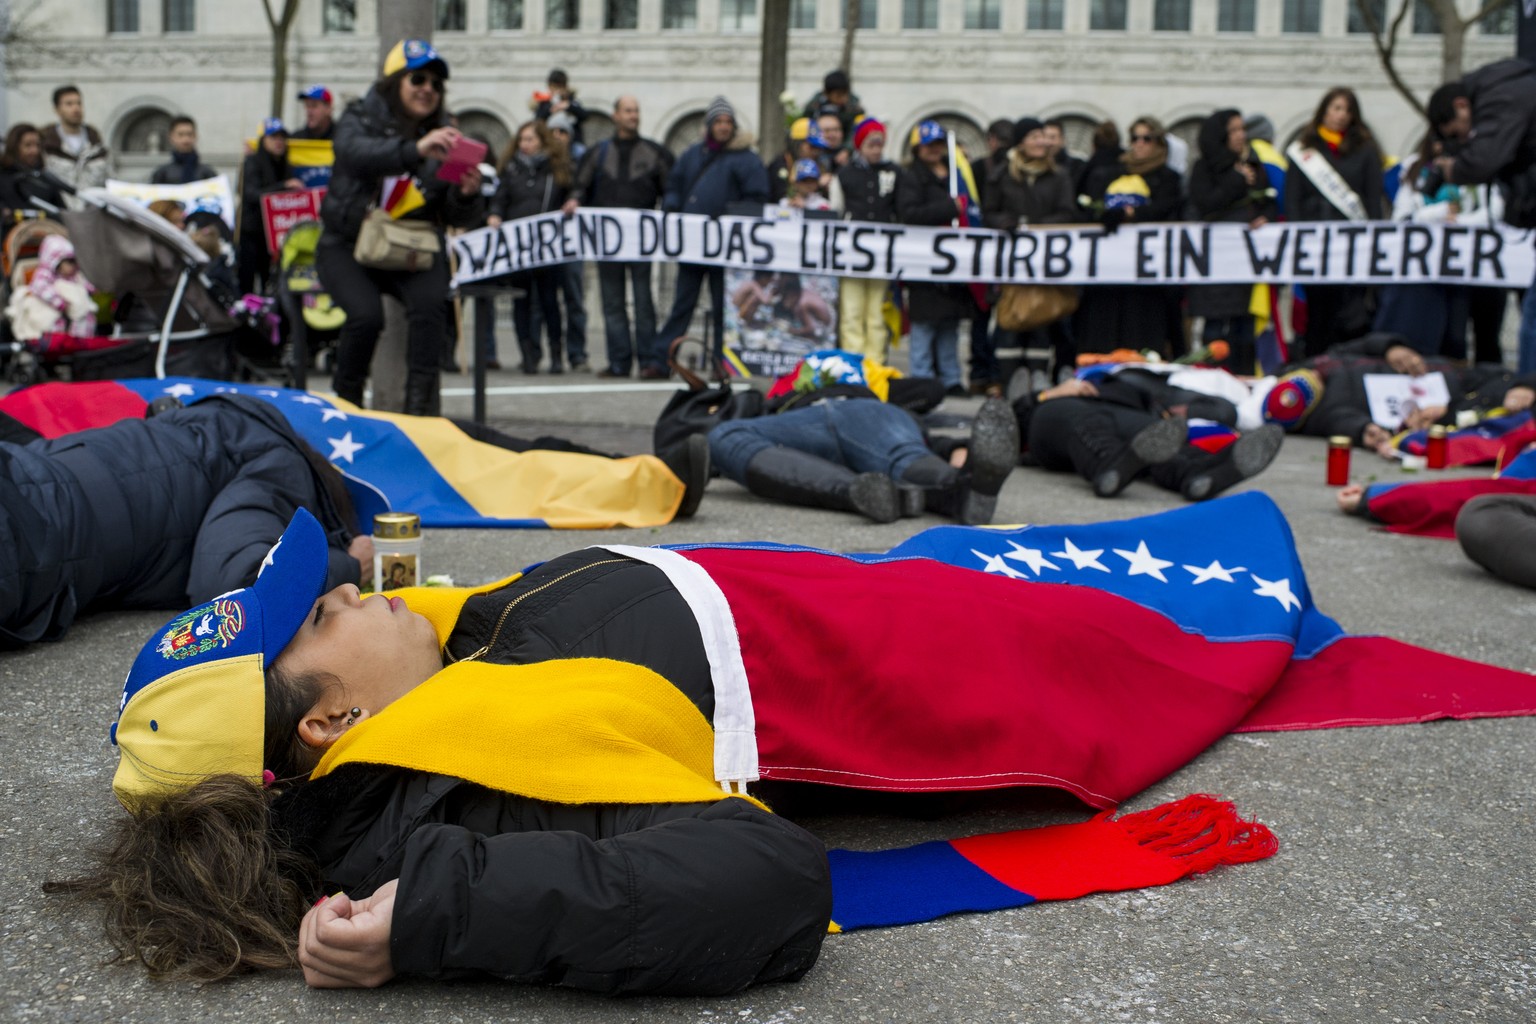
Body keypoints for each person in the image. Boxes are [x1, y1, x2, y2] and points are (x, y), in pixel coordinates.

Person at [0, 395, 370, 647]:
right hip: (33, 536)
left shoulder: (200, 427)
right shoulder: (277, 466)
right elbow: (236, 587)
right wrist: (348, 564)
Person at [316, 40, 484, 415]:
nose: (428, 89)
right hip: (347, 243)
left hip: (408, 247)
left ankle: (420, 417)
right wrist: (416, 150)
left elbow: (453, 214)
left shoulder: (445, 135)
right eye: (419, 79)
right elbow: (353, 153)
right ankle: (345, 411)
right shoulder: (359, 117)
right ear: (395, 83)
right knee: (365, 317)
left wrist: (468, 194)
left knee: (431, 305)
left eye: (436, 84)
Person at [710, 393, 1018, 525]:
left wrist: (966, 459)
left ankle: (962, 485)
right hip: (799, 425)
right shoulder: (779, 390)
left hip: (871, 413)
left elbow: (933, 402)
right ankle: (878, 491)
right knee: (723, 436)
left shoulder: (874, 378)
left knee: (905, 452)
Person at [1427, 59, 1536, 373]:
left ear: (1462, 105)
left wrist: (1454, 169)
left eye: (1461, 134)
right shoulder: (1506, 89)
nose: (1465, 141)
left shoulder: (1501, 97)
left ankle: (1529, 401)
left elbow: (1485, 159)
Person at [1013, 375, 1284, 501]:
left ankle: (1198, 475)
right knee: (1088, 425)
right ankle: (1106, 468)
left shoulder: (1144, 389)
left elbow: (1223, 410)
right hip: (1054, 420)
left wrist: (1172, 413)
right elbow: (1008, 417)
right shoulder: (1054, 397)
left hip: (1127, 417)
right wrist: (1048, 394)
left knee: (1157, 440)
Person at [656, 96, 769, 376]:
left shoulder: (746, 159)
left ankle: (722, 363)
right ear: (709, 125)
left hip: (725, 249)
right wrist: (672, 205)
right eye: (718, 121)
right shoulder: (692, 155)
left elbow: (757, 197)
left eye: (728, 122)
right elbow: (674, 184)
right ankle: (661, 361)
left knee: (723, 309)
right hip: (694, 245)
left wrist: (730, 215)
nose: (723, 126)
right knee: (682, 305)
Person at [565, 95, 675, 379]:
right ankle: (619, 362)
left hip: (641, 240)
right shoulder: (598, 153)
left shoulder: (654, 153)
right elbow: (581, 186)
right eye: (627, 111)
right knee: (612, 303)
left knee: (643, 301)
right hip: (607, 242)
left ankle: (649, 360)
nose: (633, 116)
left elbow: (671, 192)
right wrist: (575, 201)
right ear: (615, 115)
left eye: (636, 110)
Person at [1372, 132, 1503, 360]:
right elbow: (1403, 217)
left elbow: (1495, 210)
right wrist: (1438, 213)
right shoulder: (1416, 170)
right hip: (1427, 272)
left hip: (1465, 267)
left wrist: (1461, 221)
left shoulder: (1477, 173)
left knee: (1459, 334)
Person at [1283, 87, 1385, 358]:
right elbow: (1293, 199)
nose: (1341, 115)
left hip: (1352, 245)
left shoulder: (1365, 149)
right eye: (1336, 108)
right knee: (1318, 314)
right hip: (1316, 246)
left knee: (1350, 314)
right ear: (1324, 111)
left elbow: (1372, 198)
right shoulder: (1304, 152)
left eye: (1347, 110)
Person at [1075, 117, 1185, 358]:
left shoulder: (1169, 179)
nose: (1140, 144)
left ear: (1159, 144)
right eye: (1135, 138)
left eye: (1147, 138)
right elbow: (1089, 209)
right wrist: (1107, 214)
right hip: (1109, 273)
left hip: (1148, 276)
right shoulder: (1110, 173)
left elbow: (1170, 210)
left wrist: (1137, 213)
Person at [1186, 109, 1277, 375]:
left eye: (1242, 129)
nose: (1241, 135)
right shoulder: (1205, 168)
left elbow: (1269, 203)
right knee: (1215, 334)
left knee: (1244, 333)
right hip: (1215, 268)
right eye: (1234, 130)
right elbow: (1206, 205)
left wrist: (1264, 218)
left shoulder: (1253, 165)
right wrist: (1237, 181)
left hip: (1245, 269)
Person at [896, 120, 977, 396]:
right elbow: (910, 214)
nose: (934, 150)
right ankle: (922, 378)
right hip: (924, 262)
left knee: (949, 325)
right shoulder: (911, 178)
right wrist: (948, 208)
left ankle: (951, 378)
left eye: (938, 145)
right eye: (928, 145)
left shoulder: (955, 175)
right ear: (918, 149)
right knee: (924, 325)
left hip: (953, 263)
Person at [487, 120, 571, 374]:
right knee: (521, 301)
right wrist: (495, 214)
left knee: (549, 302)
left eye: (530, 139)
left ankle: (556, 354)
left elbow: (570, 193)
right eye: (522, 139)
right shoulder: (511, 170)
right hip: (518, 248)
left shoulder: (555, 170)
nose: (525, 145)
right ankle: (528, 354)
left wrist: (571, 203)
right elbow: (500, 199)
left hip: (547, 247)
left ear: (542, 142)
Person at [828, 118, 898, 361]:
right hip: (851, 252)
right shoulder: (845, 175)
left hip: (881, 253)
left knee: (877, 311)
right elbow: (836, 209)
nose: (876, 151)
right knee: (852, 310)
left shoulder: (893, 172)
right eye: (871, 145)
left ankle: (875, 362)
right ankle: (852, 361)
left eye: (879, 145)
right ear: (860, 146)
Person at [542, 111, 590, 371]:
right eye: (554, 132)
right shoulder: (542, 165)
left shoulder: (579, 163)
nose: (558, 137)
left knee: (574, 298)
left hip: (571, 243)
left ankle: (577, 353)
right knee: (546, 301)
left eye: (563, 132)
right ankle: (551, 353)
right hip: (546, 243)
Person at [239, 119, 305, 295]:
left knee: (270, 282)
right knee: (247, 283)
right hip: (252, 233)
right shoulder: (252, 162)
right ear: (264, 140)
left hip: (273, 238)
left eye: (282, 138)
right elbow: (251, 194)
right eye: (273, 137)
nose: (279, 142)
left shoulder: (286, 166)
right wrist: (283, 187)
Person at [5, 233, 96, 342]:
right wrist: (59, 302)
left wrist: (88, 289)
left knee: (85, 315)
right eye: (69, 262)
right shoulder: (44, 274)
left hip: (72, 313)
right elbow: (40, 288)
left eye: (74, 261)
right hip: (53, 308)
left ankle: (81, 341)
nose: (73, 266)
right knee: (51, 321)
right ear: (56, 261)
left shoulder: (73, 276)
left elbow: (83, 287)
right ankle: (53, 342)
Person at [40, 84, 113, 194]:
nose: (76, 108)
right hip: (61, 209)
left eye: (79, 103)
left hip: (93, 208)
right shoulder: (47, 146)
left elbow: (111, 180)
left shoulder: (97, 146)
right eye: (69, 104)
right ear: (57, 109)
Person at [0, 123, 67, 218]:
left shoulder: (45, 179)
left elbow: (62, 213)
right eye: (28, 145)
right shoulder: (3, 177)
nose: (35, 151)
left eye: (38, 145)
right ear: (14, 147)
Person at [150, 117, 219, 185]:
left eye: (190, 134)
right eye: (180, 135)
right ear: (171, 137)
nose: (185, 139)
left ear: (195, 136)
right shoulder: (162, 174)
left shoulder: (207, 172)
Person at [801, 69, 864, 142]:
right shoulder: (815, 106)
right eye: (838, 95)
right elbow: (806, 125)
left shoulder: (854, 108)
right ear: (827, 93)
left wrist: (847, 150)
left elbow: (854, 132)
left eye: (845, 94)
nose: (843, 99)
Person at [533, 68, 587, 144]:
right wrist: (551, 110)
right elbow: (538, 119)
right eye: (553, 87)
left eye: (558, 87)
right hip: (549, 141)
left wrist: (568, 106)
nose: (556, 91)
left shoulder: (571, 101)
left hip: (572, 142)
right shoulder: (545, 103)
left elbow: (584, 115)